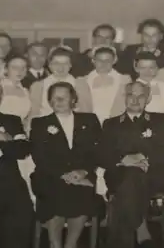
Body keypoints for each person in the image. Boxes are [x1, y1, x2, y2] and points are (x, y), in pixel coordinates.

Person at [99, 81, 164, 248]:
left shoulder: (160, 120)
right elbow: (102, 155)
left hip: (153, 175)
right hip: (119, 175)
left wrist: (143, 156)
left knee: (129, 182)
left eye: (140, 96)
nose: (135, 100)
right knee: (130, 177)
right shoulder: (110, 124)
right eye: (131, 96)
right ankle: (141, 229)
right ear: (124, 98)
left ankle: (123, 241)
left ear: (148, 98)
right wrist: (123, 159)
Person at [30, 82, 101, 248]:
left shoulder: (89, 120)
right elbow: (39, 156)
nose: (59, 100)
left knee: (83, 189)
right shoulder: (39, 123)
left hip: (82, 174)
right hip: (49, 175)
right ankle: (55, 243)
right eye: (54, 97)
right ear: (49, 101)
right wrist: (64, 175)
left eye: (64, 96)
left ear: (73, 99)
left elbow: (98, 151)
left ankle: (70, 245)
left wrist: (83, 171)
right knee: (56, 190)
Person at [0, 85, 33, 248]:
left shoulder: (12, 120)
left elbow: (22, 150)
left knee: (21, 214)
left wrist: (5, 143)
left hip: (8, 182)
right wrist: (5, 140)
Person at [29, 46, 92, 119]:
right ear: (49, 65)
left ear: (70, 65)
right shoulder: (38, 86)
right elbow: (33, 114)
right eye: (56, 63)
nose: (61, 67)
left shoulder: (80, 85)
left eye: (65, 63)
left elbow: (87, 112)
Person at [77, 46, 131, 124]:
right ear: (93, 60)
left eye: (107, 61)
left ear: (114, 61)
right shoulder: (81, 82)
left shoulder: (125, 81)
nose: (103, 64)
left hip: (117, 124)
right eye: (99, 60)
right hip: (90, 125)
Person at [135, 52, 164, 128]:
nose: (147, 72)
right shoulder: (128, 88)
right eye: (143, 68)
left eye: (151, 67)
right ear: (136, 69)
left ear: (157, 69)